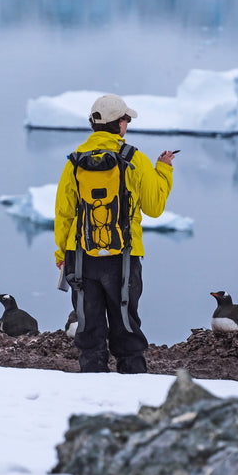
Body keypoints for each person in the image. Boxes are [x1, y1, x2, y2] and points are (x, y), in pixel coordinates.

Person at [55, 94, 174, 374]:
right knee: (125, 323)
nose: (127, 124)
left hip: (81, 255)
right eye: (126, 119)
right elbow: (154, 207)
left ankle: (92, 380)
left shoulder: (74, 162)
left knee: (89, 325)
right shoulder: (134, 158)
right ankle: (132, 381)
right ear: (119, 124)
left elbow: (64, 214)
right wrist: (164, 171)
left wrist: (62, 253)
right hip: (124, 256)